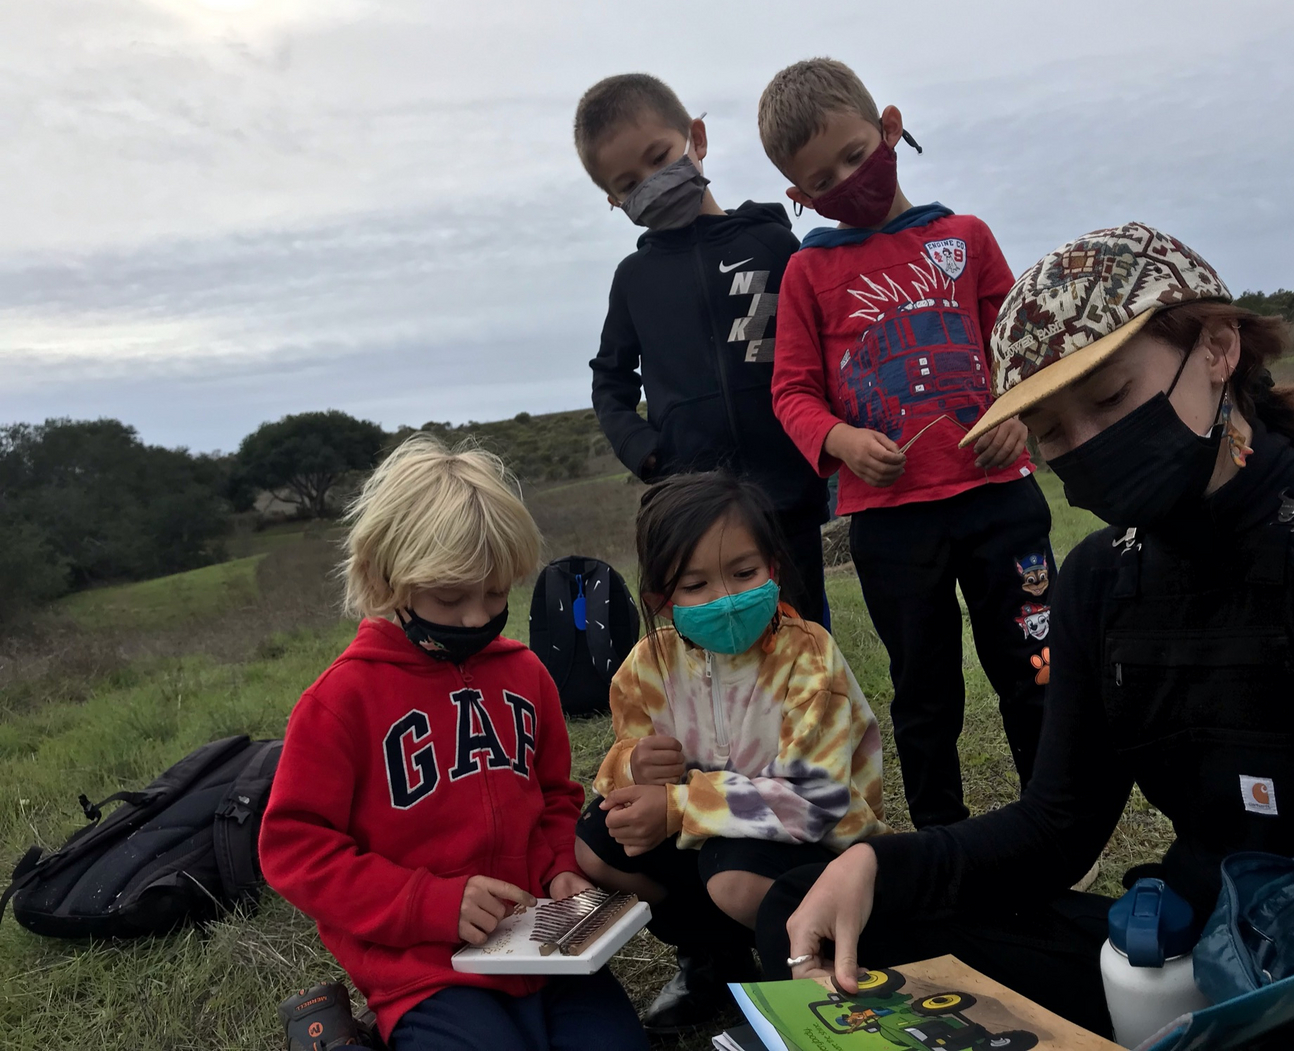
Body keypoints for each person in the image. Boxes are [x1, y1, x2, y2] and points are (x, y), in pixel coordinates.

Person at [759, 223, 1294, 1047]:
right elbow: (1056, 829)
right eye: (1049, 430)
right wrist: (877, 865)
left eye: (1110, 399)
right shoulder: (1099, 579)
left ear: (1218, 348)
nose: (1086, 446)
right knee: (812, 918)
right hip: (1194, 949)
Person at [258, 436, 647, 1051]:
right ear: (387, 578)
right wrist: (427, 903)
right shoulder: (340, 702)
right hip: (425, 972)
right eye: (448, 597)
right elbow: (295, 850)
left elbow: (552, 798)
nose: (475, 618)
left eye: (495, 594)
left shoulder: (526, 674)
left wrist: (562, 870)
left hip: (547, 951)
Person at [757, 57, 1055, 829]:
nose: (846, 181)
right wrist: (841, 440)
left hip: (1001, 501)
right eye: (822, 179)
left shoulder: (966, 237)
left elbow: (1018, 352)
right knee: (924, 692)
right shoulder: (806, 272)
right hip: (892, 524)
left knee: (1034, 675)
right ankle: (939, 843)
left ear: (889, 129)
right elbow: (790, 390)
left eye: (855, 155)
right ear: (799, 195)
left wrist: (1017, 415)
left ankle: (1054, 825)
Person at [576, 471, 888, 1032]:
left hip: (821, 852)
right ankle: (713, 959)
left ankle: (797, 972)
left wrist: (676, 807)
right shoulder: (646, 667)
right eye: (694, 585)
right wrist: (630, 766)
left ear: (772, 565)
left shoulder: (808, 655)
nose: (725, 600)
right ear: (661, 600)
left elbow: (815, 801)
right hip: (714, 843)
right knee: (598, 842)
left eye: (743, 573)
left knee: (732, 873)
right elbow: (620, 759)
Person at [575, 73, 832, 626]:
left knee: (808, 645)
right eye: (628, 180)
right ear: (614, 199)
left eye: (659, 155)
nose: (651, 180)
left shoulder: (773, 244)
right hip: (696, 514)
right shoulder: (633, 280)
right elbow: (609, 383)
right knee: (721, 661)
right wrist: (649, 454)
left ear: (696, 137)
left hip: (790, 496)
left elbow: (824, 346)